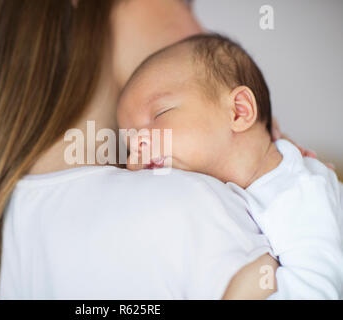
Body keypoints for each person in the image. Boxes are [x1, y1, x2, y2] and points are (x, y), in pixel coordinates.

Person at [0, 0, 316, 300]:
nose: (200, 30)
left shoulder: (0, 239)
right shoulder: (188, 203)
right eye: (185, 3)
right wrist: (288, 186)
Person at [117, 33, 343, 299]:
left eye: (159, 114)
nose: (139, 144)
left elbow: (317, 291)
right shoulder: (229, 196)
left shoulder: (299, 190)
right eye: (129, 144)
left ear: (238, 111)